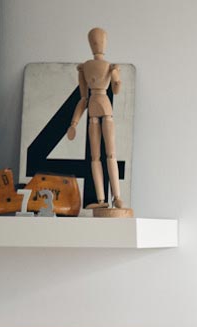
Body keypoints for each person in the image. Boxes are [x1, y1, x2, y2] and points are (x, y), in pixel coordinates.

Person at [67, 27, 127, 211]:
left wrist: (117, 79)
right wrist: (74, 123)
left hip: (105, 109)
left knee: (110, 154)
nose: (97, 44)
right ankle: (102, 199)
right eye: (94, 41)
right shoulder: (84, 68)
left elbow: (116, 89)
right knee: (95, 158)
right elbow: (83, 98)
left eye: (99, 40)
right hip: (93, 110)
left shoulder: (109, 66)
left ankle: (117, 196)